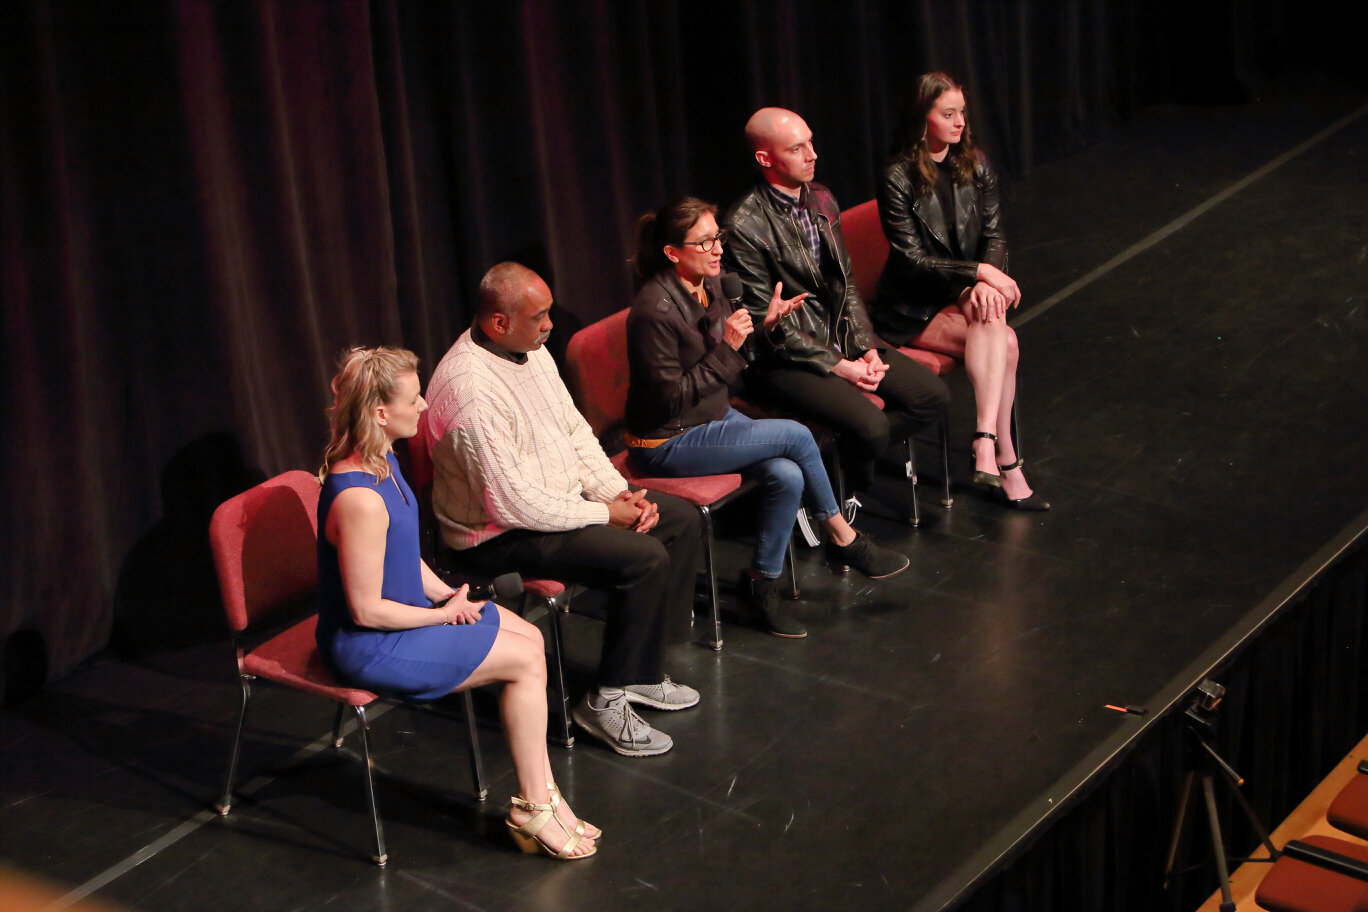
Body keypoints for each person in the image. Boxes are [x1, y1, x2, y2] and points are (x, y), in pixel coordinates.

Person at [315, 346, 597, 861]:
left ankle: (545, 798)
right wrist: (442, 615)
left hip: (411, 617)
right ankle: (535, 806)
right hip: (372, 643)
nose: (424, 406)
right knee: (525, 663)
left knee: (531, 640)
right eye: (414, 398)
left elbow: (401, 555)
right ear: (381, 413)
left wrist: (444, 592)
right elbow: (365, 610)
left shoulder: (383, 459)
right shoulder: (357, 496)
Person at [425, 262, 702, 759]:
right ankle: (604, 700)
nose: (550, 326)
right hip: (494, 534)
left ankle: (639, 673)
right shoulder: (469, 392)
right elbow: (511, 503)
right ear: (499, 322)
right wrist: (603, 515)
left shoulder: (530, 352)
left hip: (555, 504)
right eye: (539, 317)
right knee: (642, 557)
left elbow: (573, 431)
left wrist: (620, 495)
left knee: (675, 520)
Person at [625, 196, 911, 639]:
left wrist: (767, 328)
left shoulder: (713, 284)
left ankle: (760, 585)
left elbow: (736, 359)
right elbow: (669, 401)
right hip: (665, 441)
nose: (718, 248)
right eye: (705, 242)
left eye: (717, 236)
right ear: (672, 252)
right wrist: (729, 349)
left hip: (712, 419)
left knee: (786, 475)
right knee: (797, 436)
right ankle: (843, 538)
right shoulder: (653, 311)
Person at [721, 107, 951, 512]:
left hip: (838, 338)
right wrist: (840, 367)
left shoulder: (822, 198)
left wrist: (865, 348)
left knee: (930, 397)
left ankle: (828, 469)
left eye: (810, 142)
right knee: (870, 425)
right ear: (765, 158)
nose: (812, 154)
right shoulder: (743, 222)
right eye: (797, 148)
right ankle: (833, 501)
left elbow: (845, 286)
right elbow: (767, 320)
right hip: (780, 359)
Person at [874, 72, 1048, 510]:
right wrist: (979, 274)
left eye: (962, 113)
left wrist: (980, 280)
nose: (959, 123)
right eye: (947, 113)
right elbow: (912, 260)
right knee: (1003, 339)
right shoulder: (897, 176)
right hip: (910, 306)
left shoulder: (977, 164)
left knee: (999, 329)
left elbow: (994, 235)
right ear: (922, 118)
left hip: (959, 292)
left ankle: (988, 441)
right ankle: (1004, 460)